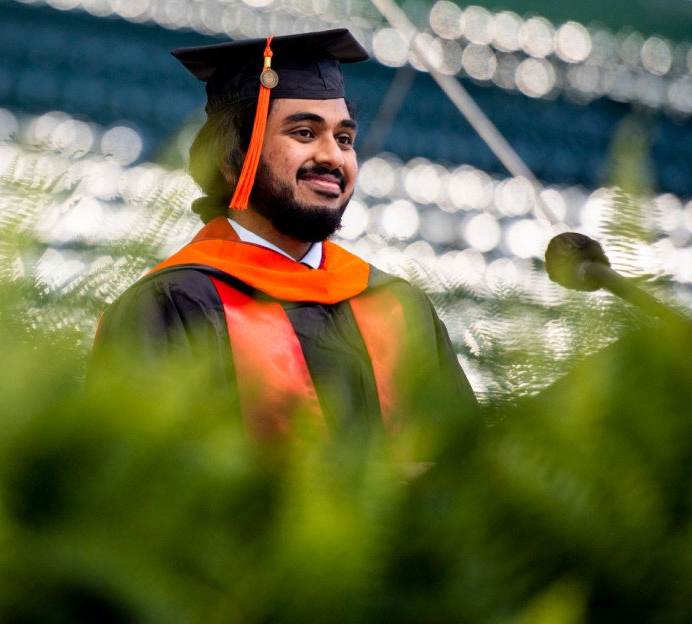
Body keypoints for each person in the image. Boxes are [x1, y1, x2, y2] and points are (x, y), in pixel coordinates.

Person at [92, 29, 474, 441]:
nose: (332, 156)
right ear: (231, 160)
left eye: (344, 139)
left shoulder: (398, 306)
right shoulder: (172, 304)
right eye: (304, 133)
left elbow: (464, 469)